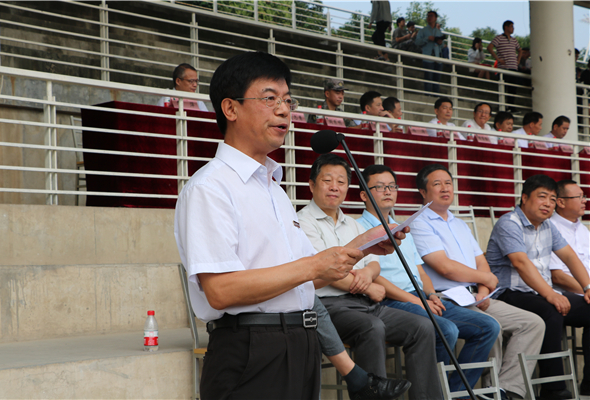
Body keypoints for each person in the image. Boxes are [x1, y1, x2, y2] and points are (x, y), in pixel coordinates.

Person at [174, 51, 410, 400]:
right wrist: (315, 264)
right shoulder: (210, 187)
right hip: (250, 348)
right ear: (231, 109)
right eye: (269, 99)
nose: (284, 110)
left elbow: (304, 279)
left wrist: (361, 245)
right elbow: (221, 290)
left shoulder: (274, 188)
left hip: (300, 341)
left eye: (287, 100)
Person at [297, 153, 443, 400]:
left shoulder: (351, 224)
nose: (335, 187)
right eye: (327, 180)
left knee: (422, 326)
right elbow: (322, 271)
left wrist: (367, 273)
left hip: (364, 304)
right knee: (371, 328)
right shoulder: (303, 222)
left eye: (341, 182)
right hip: (328, 307)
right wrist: (365, 286)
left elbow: (374, 264)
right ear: (312, 185)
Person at [356, 164, 500, 394]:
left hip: (421, 297)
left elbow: (420, 271)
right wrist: (420, 302)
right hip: (391, 301)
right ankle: (435, 393)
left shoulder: (401, 226)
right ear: (364, 194)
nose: (388, 191)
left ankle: (457, 392)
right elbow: (379, 280)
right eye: (380, 187)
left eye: (392, 186)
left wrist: (431, 295)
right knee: (447, 330)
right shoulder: (358, 228)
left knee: (488, 326)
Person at [410, 164, 546, 400]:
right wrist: (488, 279)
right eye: (437, 184)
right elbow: (445, 268)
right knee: (488, 324)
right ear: (423, 192)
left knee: (532, 323)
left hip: (474, 296)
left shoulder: (460, 224)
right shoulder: (419, 223)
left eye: (449, 183)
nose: (445, 188)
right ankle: (478, 391)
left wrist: (484, 290)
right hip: (446, 297)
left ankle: (505, 390)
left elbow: (481, 262)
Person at [486, 174, 590, 400]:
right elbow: (520, 263)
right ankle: (553, 389)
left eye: (553, 199)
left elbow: (570, 257)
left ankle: (588, 382)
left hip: (539, 292)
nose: (548, 204)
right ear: (524, 198)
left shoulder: (548, 226)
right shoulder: (509, 223)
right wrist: (551, 294)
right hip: (508, 293)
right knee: (550, 310)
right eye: (542, 197)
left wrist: (588, 286)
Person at [550, 180, 590, 396]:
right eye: (580, 196)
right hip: (563, 292)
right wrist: (587, 290)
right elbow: (558, 276)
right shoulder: (551, 227)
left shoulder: (582, 229)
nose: (585, 201)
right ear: (561, 202)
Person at [487, 21, 522, 111]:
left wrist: (517, 61)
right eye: (511, 26)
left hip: (513, 67)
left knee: (513, 89)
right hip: (504, 68)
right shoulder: (499, 38)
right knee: (505, 87)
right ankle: (503, 106)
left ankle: (511, 107)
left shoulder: (514, 40)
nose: (513, 28)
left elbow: (520, 50)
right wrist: (498, 59)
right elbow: (489, 47)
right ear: (506, 27)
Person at [415, 11, 444, 94]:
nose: (429, 17)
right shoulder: (423, 31)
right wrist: (427, 38)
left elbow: (443, 45)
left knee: (437, 80)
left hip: (437, 58)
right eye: (428, 16)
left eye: (431, 16)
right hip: (428, 57)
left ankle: (436, 97)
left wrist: (440, 43)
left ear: (435, 18)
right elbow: (417, 42)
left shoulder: (439, 32)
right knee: (428, 78)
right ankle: (428, 96)